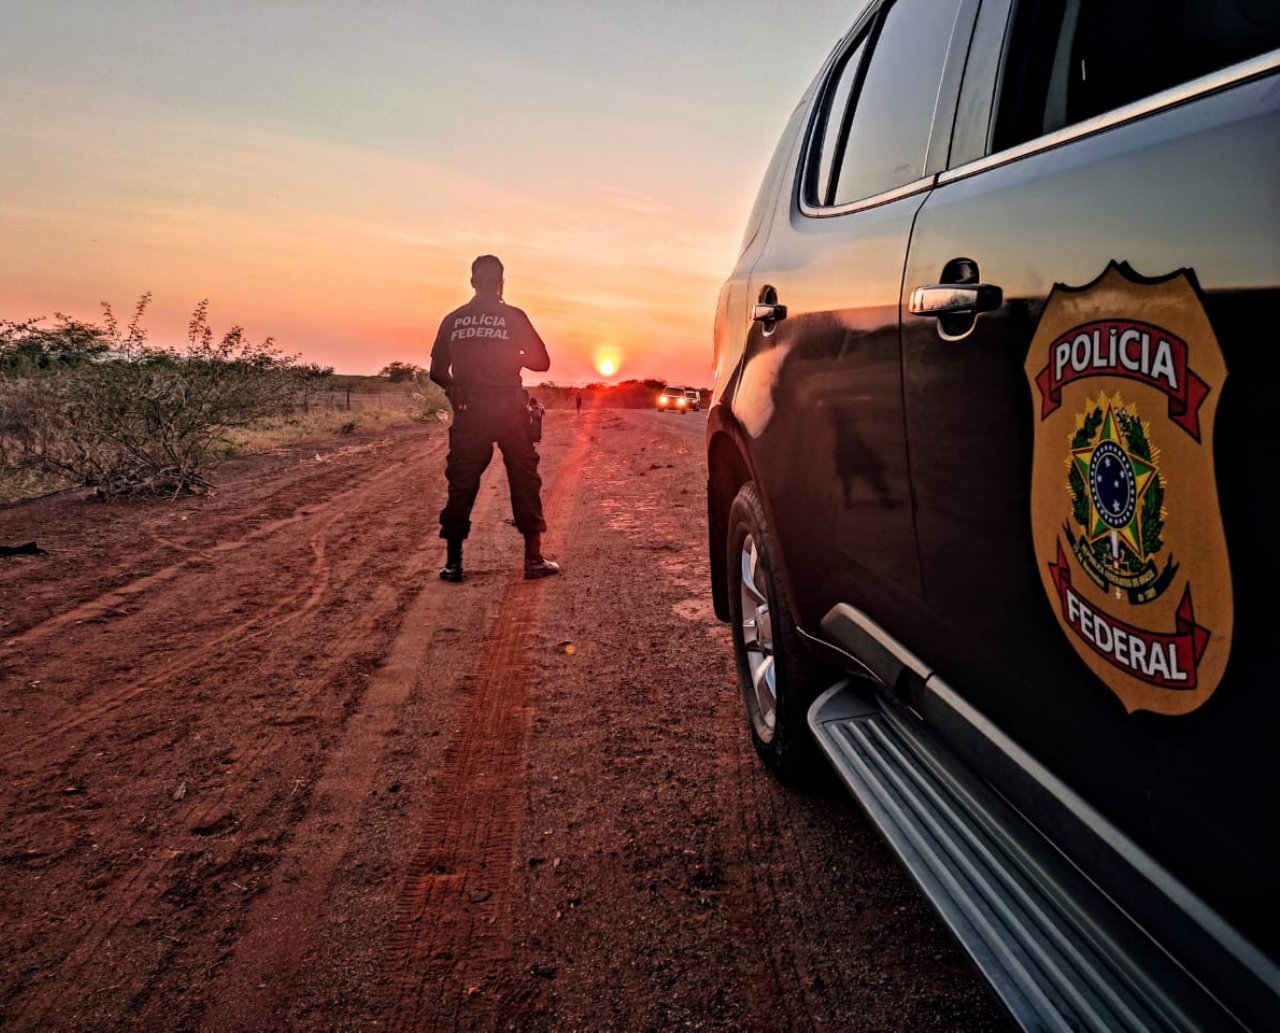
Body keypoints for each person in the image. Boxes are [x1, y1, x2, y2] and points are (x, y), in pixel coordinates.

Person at [428, 255, 560, 582]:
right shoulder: (513, 317)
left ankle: (453, 563)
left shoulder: (454, 319)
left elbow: (436, 372)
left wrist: (457, 389)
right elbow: (542, 362)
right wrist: (513, 353)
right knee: (524, 477)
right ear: (502, 282)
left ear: (473, 282)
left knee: (462, 481)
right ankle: (533, 560)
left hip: (469, 411)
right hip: (510, 409)